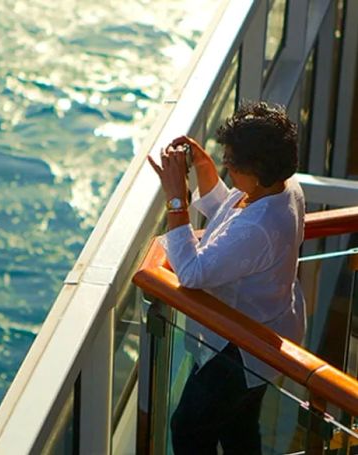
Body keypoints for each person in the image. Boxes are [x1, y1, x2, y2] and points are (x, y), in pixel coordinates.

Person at [147, 101, 306, 454]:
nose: (227, 169)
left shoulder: (260, 226)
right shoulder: (282, 189)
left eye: (231, 164)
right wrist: (203, 165)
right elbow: (227, 215)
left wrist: (177, 199)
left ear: (258, 167)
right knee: (239, 427)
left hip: (242, 346)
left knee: (188, 428)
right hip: (269, 331)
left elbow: (190, 272)